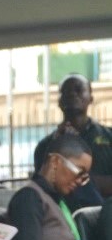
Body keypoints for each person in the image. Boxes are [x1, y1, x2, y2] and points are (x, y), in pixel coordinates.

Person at [31, 75, 108, 207]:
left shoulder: (108, 136)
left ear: (91, 98)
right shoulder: (45, 145)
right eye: (66, 91)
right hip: (62, 212)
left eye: (78, 89)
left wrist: (91, 182)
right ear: (58, 101)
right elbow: (41, 184)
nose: (72, 94)